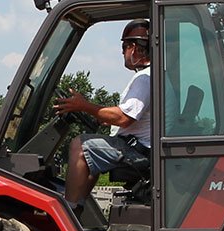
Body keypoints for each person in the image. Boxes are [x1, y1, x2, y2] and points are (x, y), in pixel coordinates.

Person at [52, 19, 152, 207]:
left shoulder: (144, 79)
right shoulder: (151, 75)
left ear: (135, 48)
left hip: (138, 152)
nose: (122, 52)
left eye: (124, 46)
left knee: (80, 146)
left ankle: (69, 210)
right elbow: (132, 115)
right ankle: (78, 206)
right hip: (142, 148)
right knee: (94, 149)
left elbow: (124, 118)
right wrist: (102, 116)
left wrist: (84, 106)